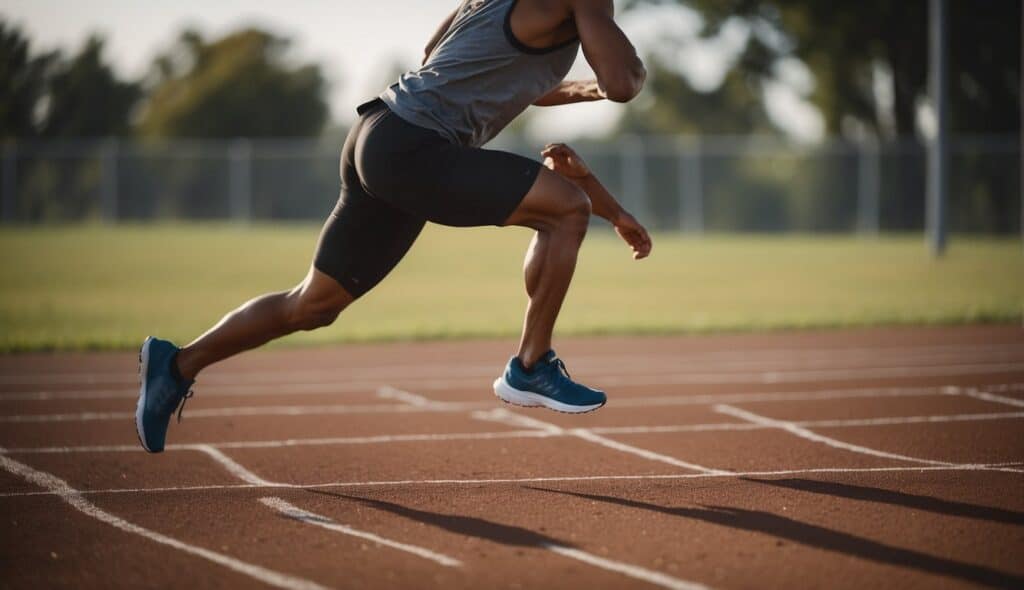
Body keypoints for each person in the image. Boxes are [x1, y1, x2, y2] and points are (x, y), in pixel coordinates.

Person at [136, 0, 651, 453]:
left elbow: (443, 55)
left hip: (378, 130)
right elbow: (624, 84)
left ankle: (177, 366)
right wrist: (620, 73)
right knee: (565, 208)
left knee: (313, 304)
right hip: (414, 147)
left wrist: (588, 94)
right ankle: (532, 365)